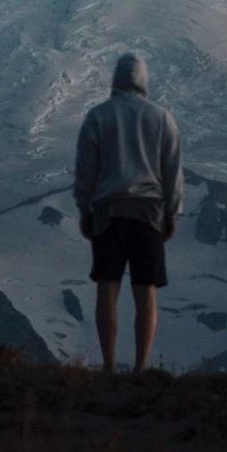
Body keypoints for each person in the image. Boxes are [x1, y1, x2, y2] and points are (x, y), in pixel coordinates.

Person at [73, 51, 183, 375]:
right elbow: (172, 170)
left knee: (107, 287)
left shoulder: (98, 117)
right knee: (145, 290)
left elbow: (85, 170)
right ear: (143, 80)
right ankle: (140, 367)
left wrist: (84, 208)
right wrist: (172, 212)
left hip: (108, 211)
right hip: (149, 212)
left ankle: (107, 365)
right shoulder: (162, 118)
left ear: (116, 79)